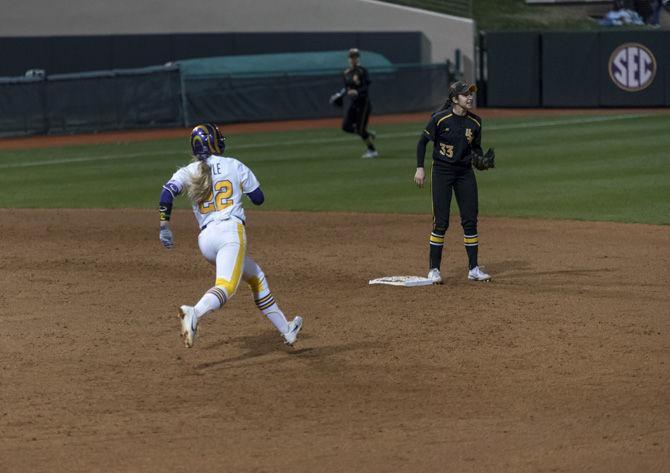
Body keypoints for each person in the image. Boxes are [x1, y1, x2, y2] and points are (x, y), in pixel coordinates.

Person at [157, 123, 303, 348]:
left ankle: (287, 330)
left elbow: (167, 193)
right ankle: (194, 312)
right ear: (214, 142)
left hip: (206, 241)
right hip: (230, 234)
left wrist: (164, 224)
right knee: (226, 286)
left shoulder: (188, 171)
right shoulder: (233, 165)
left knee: (256, 277)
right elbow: (258, 198)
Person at [413, 81, 492, 284]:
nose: (470, 97)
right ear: (455, 99)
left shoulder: (475, 122)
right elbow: (422, 143)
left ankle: (473, 268)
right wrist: (420, 167)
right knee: (441, 222)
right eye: (465, 94)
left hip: (465, 173)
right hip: (442, 172)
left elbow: (476, 149)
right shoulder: (440, 119)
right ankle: (434, 269)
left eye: (471, 94)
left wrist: (481, 161)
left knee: (470, 220)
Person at [341, 48, 378, 159]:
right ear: (348, 58)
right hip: (354, 103)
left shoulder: (362, 71)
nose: (353, 59)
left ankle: (372, 150)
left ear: (358, 58)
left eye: (355, 56)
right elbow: (346, 87)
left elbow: (366, 87)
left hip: (364, 103)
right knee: (346, 126)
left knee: (360, 129)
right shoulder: (346, 73)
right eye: (351, 57)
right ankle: (367, 133)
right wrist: (341, 95)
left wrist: (357, 91)